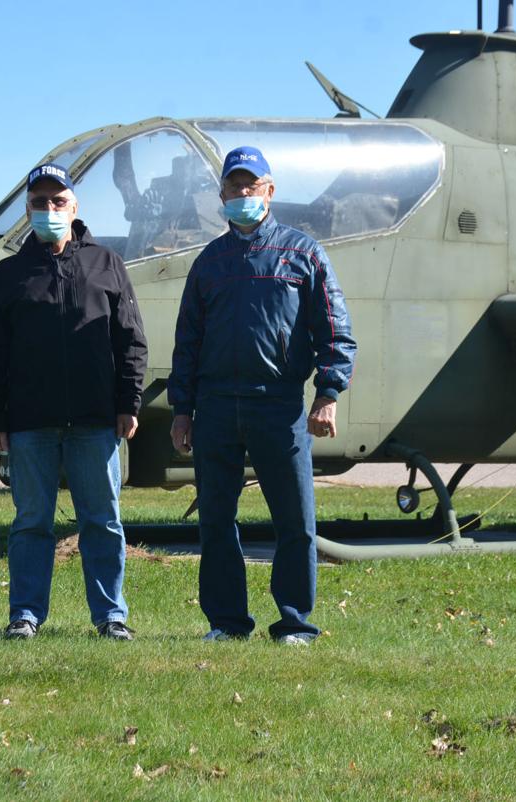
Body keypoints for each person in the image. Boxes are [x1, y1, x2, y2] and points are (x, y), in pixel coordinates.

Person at [168, 146, 357, 645]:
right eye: (233, 186)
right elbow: (187, 342)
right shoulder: (209, 263)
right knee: (216, 519)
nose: (242, 193)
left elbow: (335, 330)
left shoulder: (303, 254)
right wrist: (182, 411)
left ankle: (295, 623)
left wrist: (328, 392)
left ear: (269, 191)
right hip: (215, 407)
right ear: (222, 196)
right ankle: (227, 623)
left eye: (250, 185)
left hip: (278, 404)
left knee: (294, 520)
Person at [0, 163, 147, 640]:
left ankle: (111, 616)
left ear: (74, 206)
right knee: (31, 522)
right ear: (28, 209)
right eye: (39, 202)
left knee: (103, 521)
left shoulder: (107, 264)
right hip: (29, 424)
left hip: (96, 421)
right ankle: (25, 614)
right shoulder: (7, 273)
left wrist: (129, 402)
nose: (48, 209)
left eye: (58, 201)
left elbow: (131, 340)